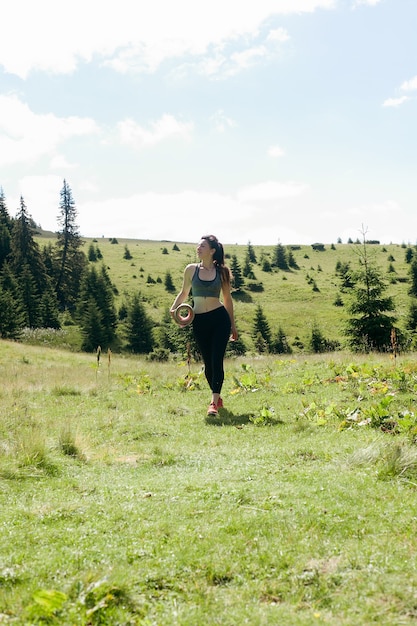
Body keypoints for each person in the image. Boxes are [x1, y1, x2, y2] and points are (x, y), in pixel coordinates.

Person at [170, 235, 238, 416]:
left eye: (203, 246)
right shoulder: (191, 270)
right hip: (199, 320)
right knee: (208, 363)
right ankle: (217, 397)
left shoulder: (222, 272)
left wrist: (233, 325)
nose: (198, 248)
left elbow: (227, 299)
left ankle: (213, 403)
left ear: (212, 250)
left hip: (219, 319)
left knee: (217, 360)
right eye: (198, 245)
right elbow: (184, 292)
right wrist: (174, 307)